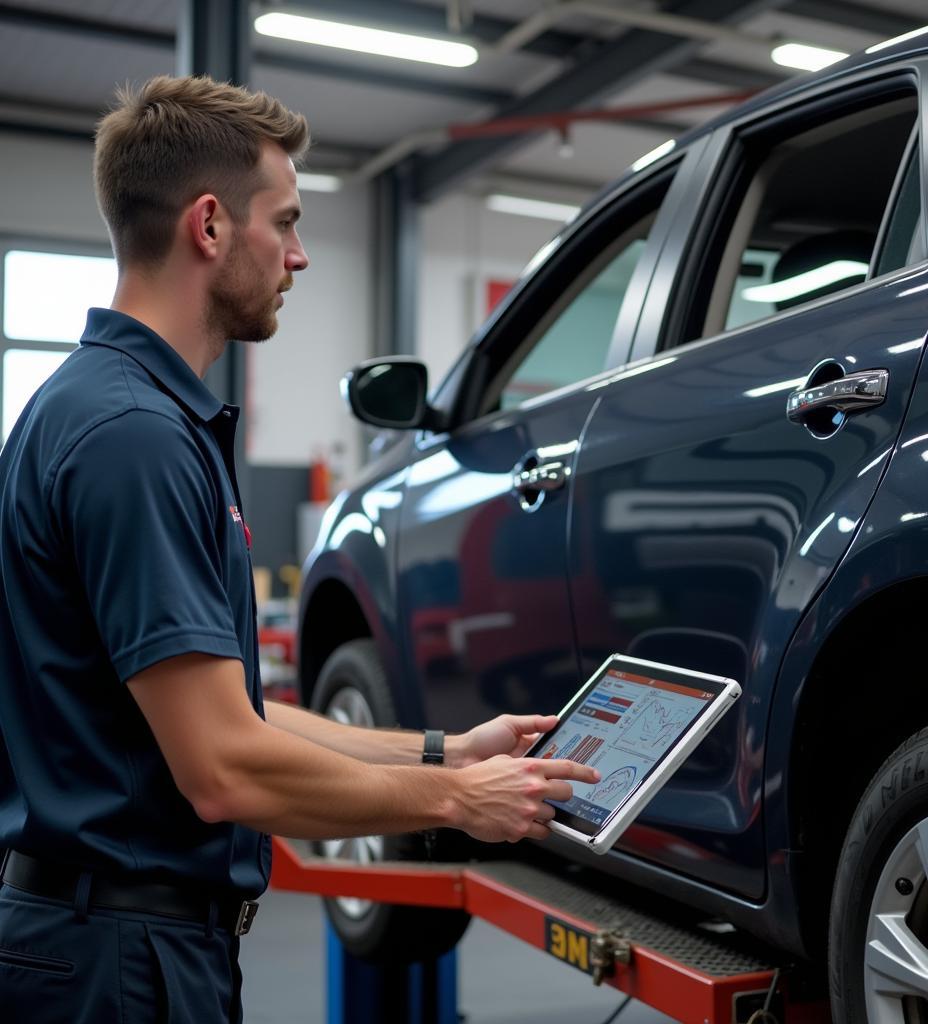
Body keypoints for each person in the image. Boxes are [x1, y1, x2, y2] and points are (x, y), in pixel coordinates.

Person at [0, 75, 597, 1024]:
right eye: (284, 222)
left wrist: (448, 755)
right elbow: (224, 769)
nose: (300, 255)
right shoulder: (132, 437)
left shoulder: (109, 411)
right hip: (116, 963)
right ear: (208, 226)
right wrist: (455, 805)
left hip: (118, 943)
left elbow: (237, 717)